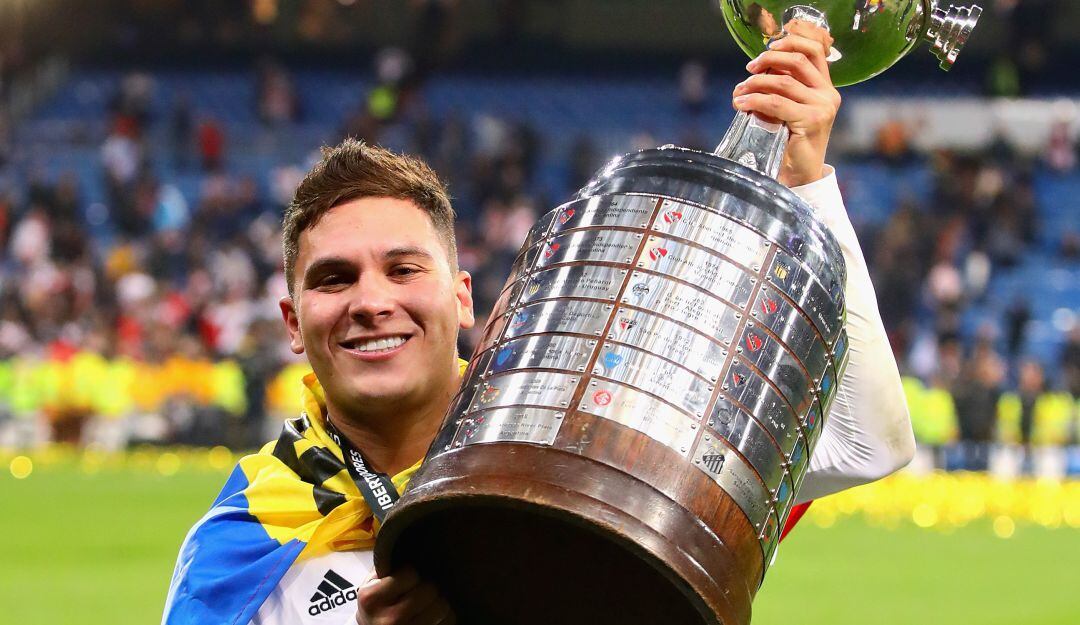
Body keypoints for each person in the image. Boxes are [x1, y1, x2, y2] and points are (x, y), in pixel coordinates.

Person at [162, 20, 914, 625]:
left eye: (402, 268)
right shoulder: (242, 541)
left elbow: (864, 442)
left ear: (461, 296)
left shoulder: (581, 429)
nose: (370, 300)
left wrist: (809, 187)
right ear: (295, 322)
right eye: (334, 278)